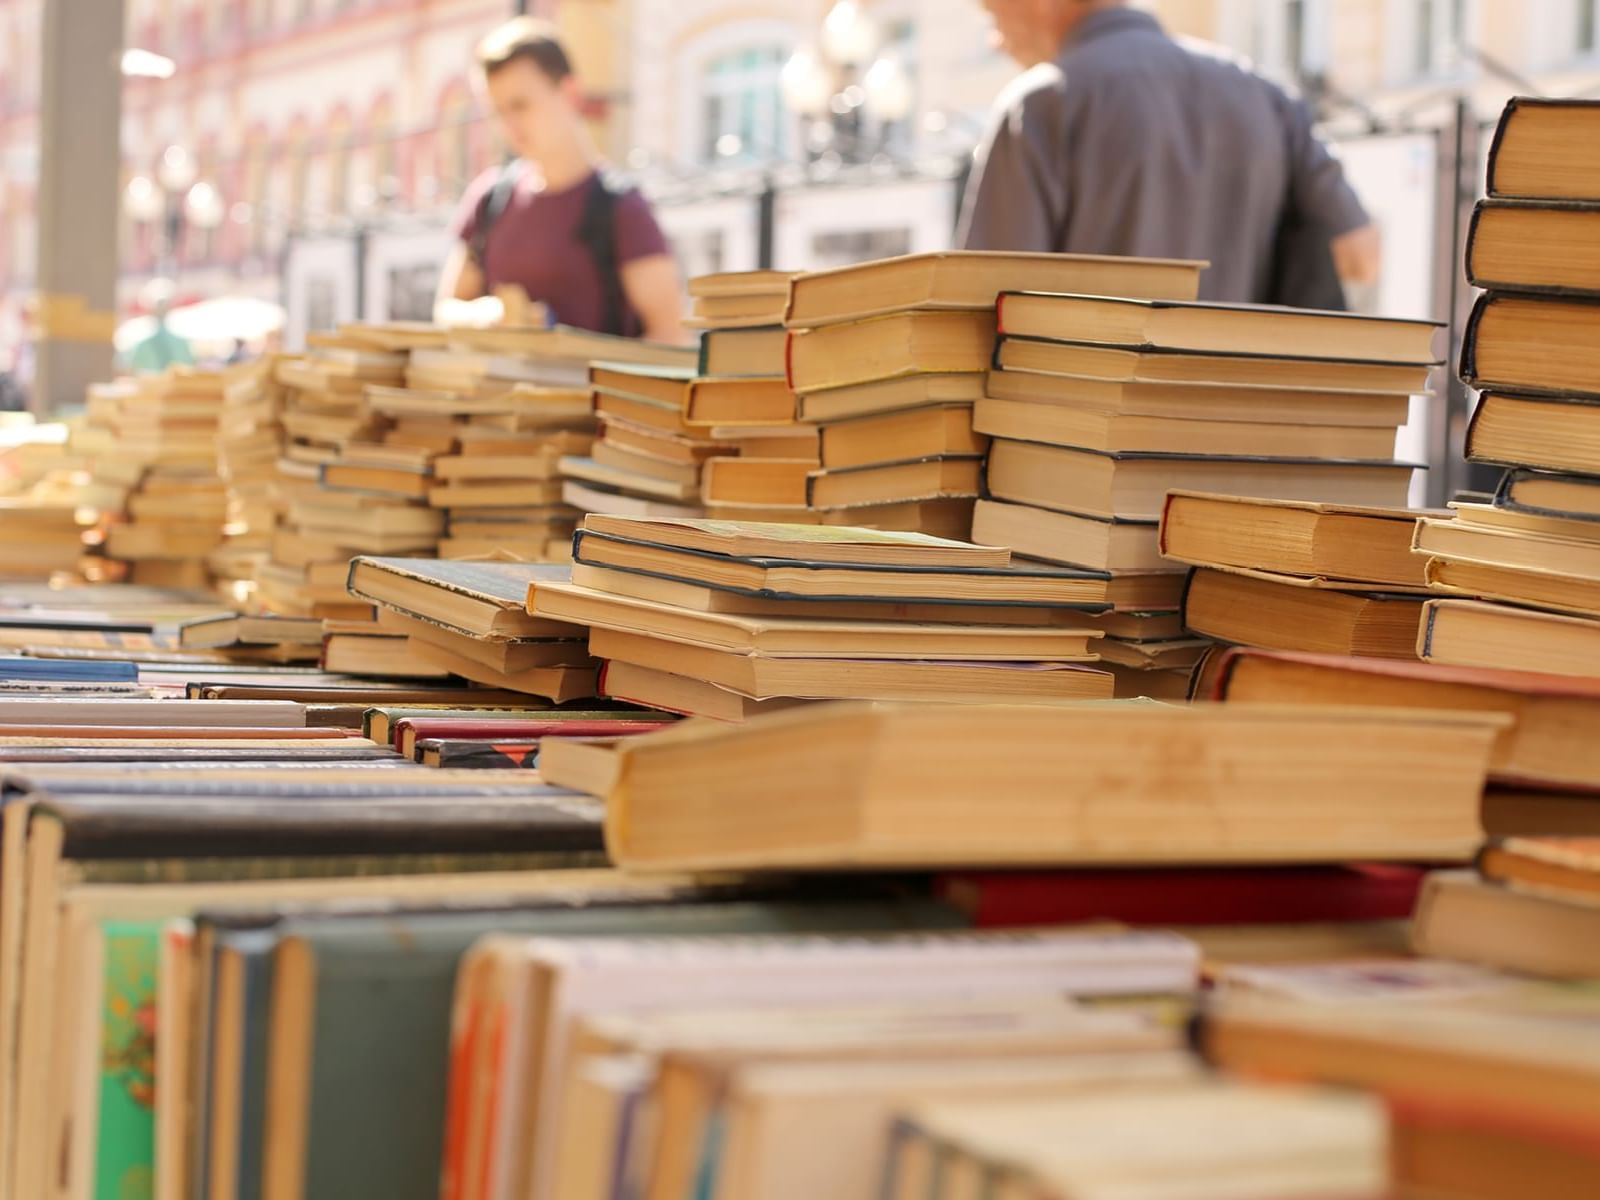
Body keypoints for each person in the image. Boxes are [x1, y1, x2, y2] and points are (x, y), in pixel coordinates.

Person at [959, 0, 1381, 307]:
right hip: (1238, 413)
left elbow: (984, 302)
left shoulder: (1040, 103)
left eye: (991, 14)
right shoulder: (1266, 94)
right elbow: (1361, 258)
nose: (996, 41)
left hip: (1083, 421)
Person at [435, 17, 685, 342]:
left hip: (588, 392)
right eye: (497, 111)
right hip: (493, 391)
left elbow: (669, 334)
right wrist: (488, 315)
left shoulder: (623, 208)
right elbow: (445, 309)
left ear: (569, 92)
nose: (508, 124)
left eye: (520, 105)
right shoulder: (489, 198)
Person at [127, 282, 195, 373]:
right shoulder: (181, 342)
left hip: (157, 385)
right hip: (165, 384)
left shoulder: (141, 342)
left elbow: (132, 369)